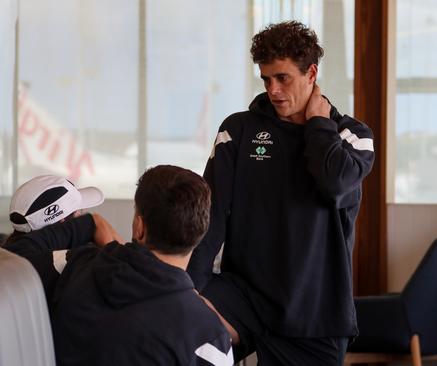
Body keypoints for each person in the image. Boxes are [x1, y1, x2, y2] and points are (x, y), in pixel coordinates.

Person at [187, 21, 375, 365]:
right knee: (179, 330)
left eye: (283, 78)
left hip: (314, 312)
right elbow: (211, 215)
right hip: (243, 296)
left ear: (311, 73)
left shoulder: (352, 136)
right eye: (266, 79)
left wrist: (319, 125)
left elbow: (334, 185)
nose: (273, 90)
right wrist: (186, 290)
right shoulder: (238, 131)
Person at [8, 166, 233, 365]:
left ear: (139, 227)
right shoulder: (209, 334)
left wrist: (91, 224)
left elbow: (13, 262)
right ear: (201, 233)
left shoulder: (74, 266)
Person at [3, 175, 107, 302]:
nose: (82, 214)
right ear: (64, 226)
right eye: (78, 212)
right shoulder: (68, 273)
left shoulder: (8, 255)